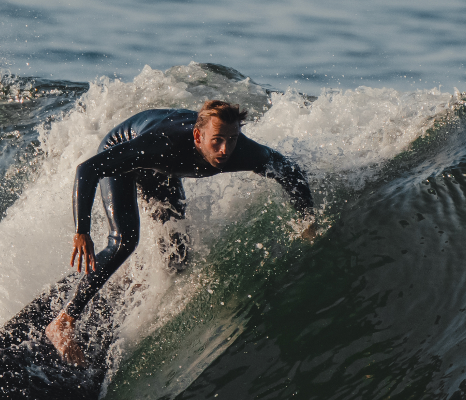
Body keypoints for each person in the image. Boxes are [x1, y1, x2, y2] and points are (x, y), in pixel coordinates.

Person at [45, 99, 315, 364]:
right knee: (125, 241)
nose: (225, 150)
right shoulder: (162, 144)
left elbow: (288, 170)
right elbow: (87, 169)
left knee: (179, 257)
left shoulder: (242, 151)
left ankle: (133, 281)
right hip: (127, 150)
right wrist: (82, 231)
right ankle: (63, 322)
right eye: (217, 140)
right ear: (198, 136)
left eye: (232, 139)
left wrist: (307, 220)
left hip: (163, 168)